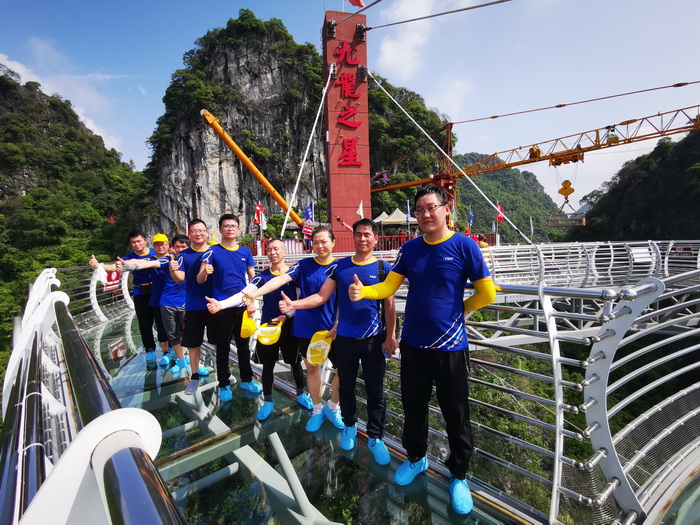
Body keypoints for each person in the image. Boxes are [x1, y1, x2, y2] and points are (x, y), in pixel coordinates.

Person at [349, 184, 496, 515]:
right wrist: (365, 291)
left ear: (446, 210)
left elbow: (487, 294)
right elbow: (389, 286)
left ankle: (459, 475)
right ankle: (416, 458)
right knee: (413, 407)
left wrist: (460, 312)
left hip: (450, 347)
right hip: (413, 345)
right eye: (420, 210)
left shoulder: (465, 246)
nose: (426, 214)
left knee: (456, 413)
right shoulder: (410, 249)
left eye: (431, 207)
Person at [279, 218, 398, 464]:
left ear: (375, 239)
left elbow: (389, 306)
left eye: (367, 234)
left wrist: (391, 337)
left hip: (374, 340)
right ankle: (350, 426)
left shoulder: (383, 268)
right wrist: (294, 304)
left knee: (376, 391)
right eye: (358, 234)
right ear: (352, 237)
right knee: (346, 387)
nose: (362, 239)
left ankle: (376, 437)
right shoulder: (340, 267)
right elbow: (321, 297)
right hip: (345, 339)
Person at [244, 226, 343, 433]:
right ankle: (317, 409)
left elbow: (344, 301)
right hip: (306, 327)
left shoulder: (341, 267)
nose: (320, 246)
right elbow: (280, 279)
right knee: (312, 369)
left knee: (343, 370)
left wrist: (337, 323)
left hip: (333, 329)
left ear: (334, 243)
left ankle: (333, 407)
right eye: (315, 242)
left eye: (324, 241)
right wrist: (254, 294)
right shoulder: (304, 265)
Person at [207, 239, 313, 419]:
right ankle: (268, 400)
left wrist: (287, 315)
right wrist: (221, 305)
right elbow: (246, 293)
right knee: (268, 365)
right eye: (269, 249)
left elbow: (299, 302)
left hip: (290, 325)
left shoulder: (295, 275)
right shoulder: (261, 277)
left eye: (276, 249)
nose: (272, 252)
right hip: (268, 327)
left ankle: (301, 393)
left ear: (285, 252)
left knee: (295, 363)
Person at [197, 214, 261, 402]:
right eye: (226, 226)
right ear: (220, 230)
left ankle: (247, 380)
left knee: (243, 347)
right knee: (223, 347)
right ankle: (223, 383)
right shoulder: (212, 251)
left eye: (233, 226)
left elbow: (253, 279)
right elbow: (200, 280)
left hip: (242, 305)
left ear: (238, 229)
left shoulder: (245, 252)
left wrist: (253, 300)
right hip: (221, 307)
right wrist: (204, 272)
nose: (230, 228)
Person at [120, 234, 194, 376]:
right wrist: (128, 266)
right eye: (177, 246)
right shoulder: (166, 260)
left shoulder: (188, 260)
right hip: (163, 299)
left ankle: (188, 359)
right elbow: (145, 263)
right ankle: (170, 355)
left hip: (184, 300)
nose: (180, 249)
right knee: (165, 329)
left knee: (185, 331)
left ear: (167, 245)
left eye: (183, 247)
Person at [89, 230, 157, 361]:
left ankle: (169, 348)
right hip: (141, 291)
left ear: (145, 241)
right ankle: (150, 350)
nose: (136, 244)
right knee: (144, 322)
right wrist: (98, 266)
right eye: (133, 242)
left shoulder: (156, 252)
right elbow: (114, 267)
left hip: (158, 290)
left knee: (162, 321)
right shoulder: (128, 258)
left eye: (139, 241)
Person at [170, 219, 215, 395]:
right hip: (194, 304)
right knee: (193, 343)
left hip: (215, 304)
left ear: (206, 232)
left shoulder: (216, 251)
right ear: (190, 234)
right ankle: (194, 377)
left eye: (201, 230)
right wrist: (172, 269)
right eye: (194, 231)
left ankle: (223, 375)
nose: (198, 234)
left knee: (218, 341)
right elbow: (179, 278)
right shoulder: (184, 255)